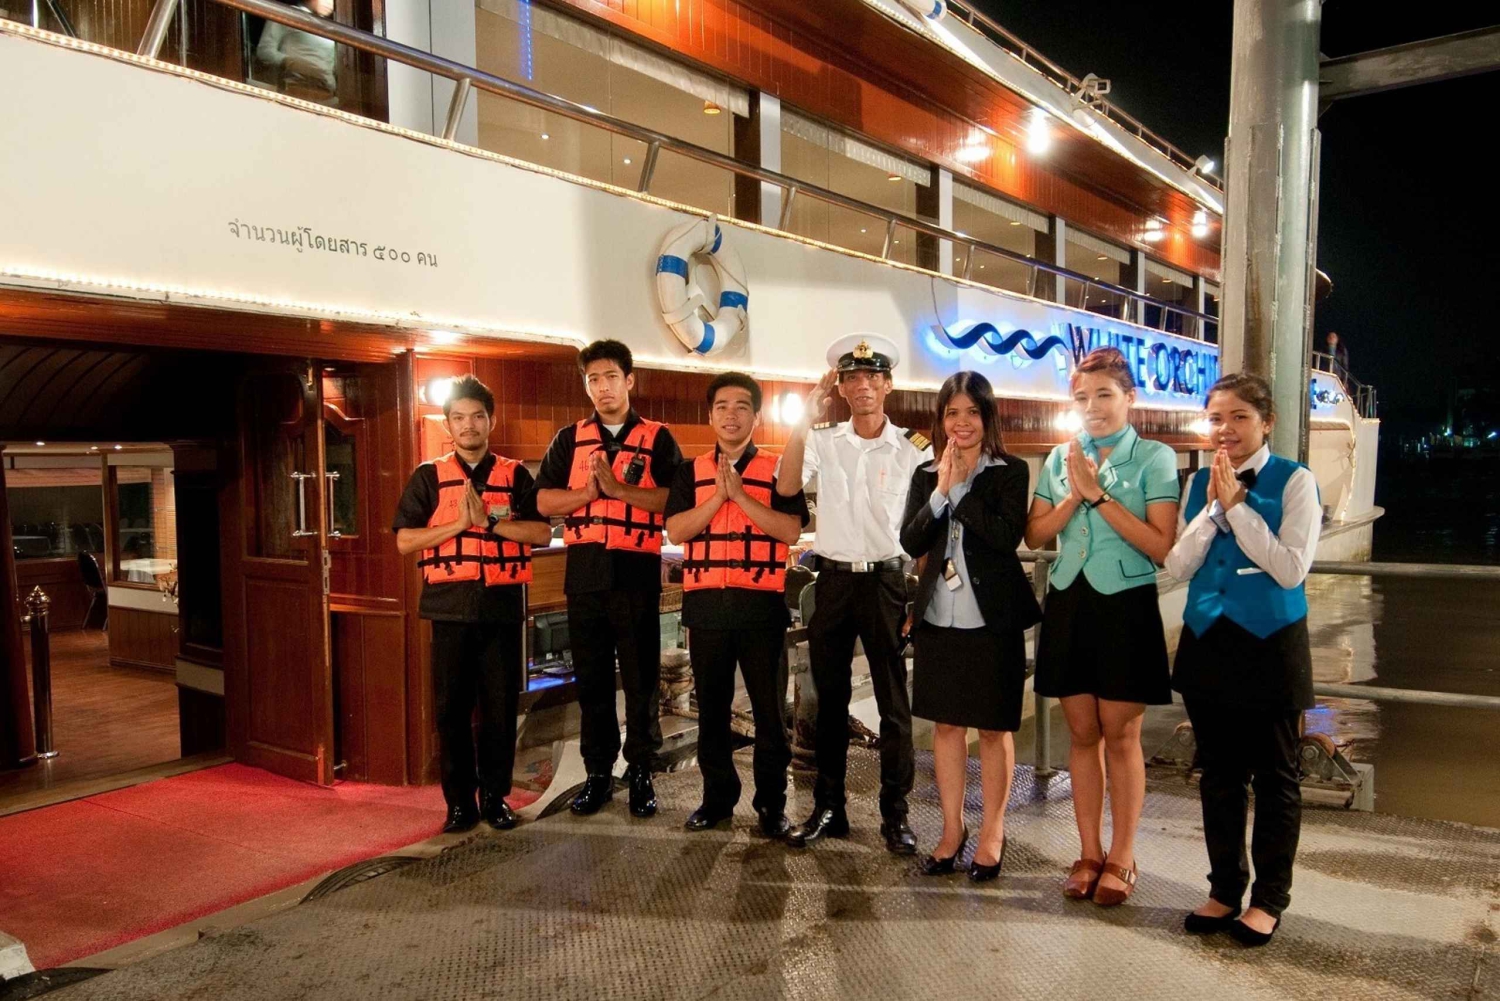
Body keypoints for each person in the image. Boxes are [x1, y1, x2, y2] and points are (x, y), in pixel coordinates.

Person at [1164, 372, 1321, 947]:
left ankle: (1269, 900)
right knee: (1219, 777)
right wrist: (1210, 512)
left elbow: (1290, 568)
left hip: (1271, 643)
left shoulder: (1296, 481)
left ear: (1265, 423)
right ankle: (1224, 889)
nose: (1225, 430)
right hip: (1209, 640)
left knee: (1278, 779)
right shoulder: (1199, 480)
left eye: (1238, 418)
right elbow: (1178, 566)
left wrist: (1239, 507)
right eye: (1216, 418)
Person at [1025, 347, 1180, 905]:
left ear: (1129, 398)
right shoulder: (1058, 457)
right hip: (1069, 600)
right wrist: (1073, 494)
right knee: (1082, 734)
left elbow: (1161, 546)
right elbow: (1038, 535)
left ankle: (1123, 854)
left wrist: (1100, 495)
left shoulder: (1156, 458)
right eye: (1083, 397)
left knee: (1122, 734)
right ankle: (1088, 851)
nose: (1092, 407)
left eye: (1104, 395)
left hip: (1125, 604)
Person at [775, 333, 932, 854]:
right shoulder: (822, 440)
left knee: (893, 704)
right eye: (851, 378)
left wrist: (920, 596)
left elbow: (930, 525)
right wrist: (803, 415)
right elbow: (786, 486)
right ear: (839, 387)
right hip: (834, 581)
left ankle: (896, 816)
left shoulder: (914, 448)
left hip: (887, 582)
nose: (862, 385)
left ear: (887, 385)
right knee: (829, 700)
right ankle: (828, 808)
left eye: (872, 376)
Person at [392, 376, 553, 833]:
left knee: (500, 709)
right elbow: (405, 541)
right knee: (451, 711)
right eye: (459, 418)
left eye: (477, 417)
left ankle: (496, 799)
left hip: (500, 608)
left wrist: (491, 525)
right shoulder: (427, 476)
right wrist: (459, 524)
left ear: (491, 421)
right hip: (447, 609)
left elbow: (541, 533)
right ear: (448, 424)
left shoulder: (516, 474)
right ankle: (459, 803)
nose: (468, 426)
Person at [899, 371, 1039, 881]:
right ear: (941, 420)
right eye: (952, 413)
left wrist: (960, 491)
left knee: (995, 727)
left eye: (971, 413)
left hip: (992, 621)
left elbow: (1005, 538)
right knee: (946, 726)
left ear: (987, 417)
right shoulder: (922, 474)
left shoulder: (1010, 471)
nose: (961, 423)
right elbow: (912, 541)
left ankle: (992, 831)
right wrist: (939, 492)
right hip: (938, 617)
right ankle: (951, 829)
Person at [535, 340, 683, 818]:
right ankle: (597, 774)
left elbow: (675, 503)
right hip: (584, 578)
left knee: (641, 681)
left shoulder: (658, 438)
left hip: (636, 575)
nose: (602, 387)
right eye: (593, 379)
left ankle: (640, 770)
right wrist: (586, 492)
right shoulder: (567, 439)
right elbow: (543, 505)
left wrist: (620, 490)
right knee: (593, 682)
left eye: (611, 377)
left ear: (630, 380)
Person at [664, 372, 809, 837]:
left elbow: (790, 531)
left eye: (741, 406)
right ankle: (716, 801)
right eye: (722, 406)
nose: (731, 415)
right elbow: (677, 531)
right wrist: (718, 498)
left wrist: (740, 495)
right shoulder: (689, 472)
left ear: (756, 416)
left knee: (769, 714)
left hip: (761, 608)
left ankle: (771, 807)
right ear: (710, 416)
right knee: (711, 711)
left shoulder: (777, 469)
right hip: (706, 608)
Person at [255, 0, 338, 104]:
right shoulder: (287, 14)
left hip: (327, 98)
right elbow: (264, 51)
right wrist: (293, 63)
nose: (329, 3)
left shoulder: (334, 28)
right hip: (294, 92)